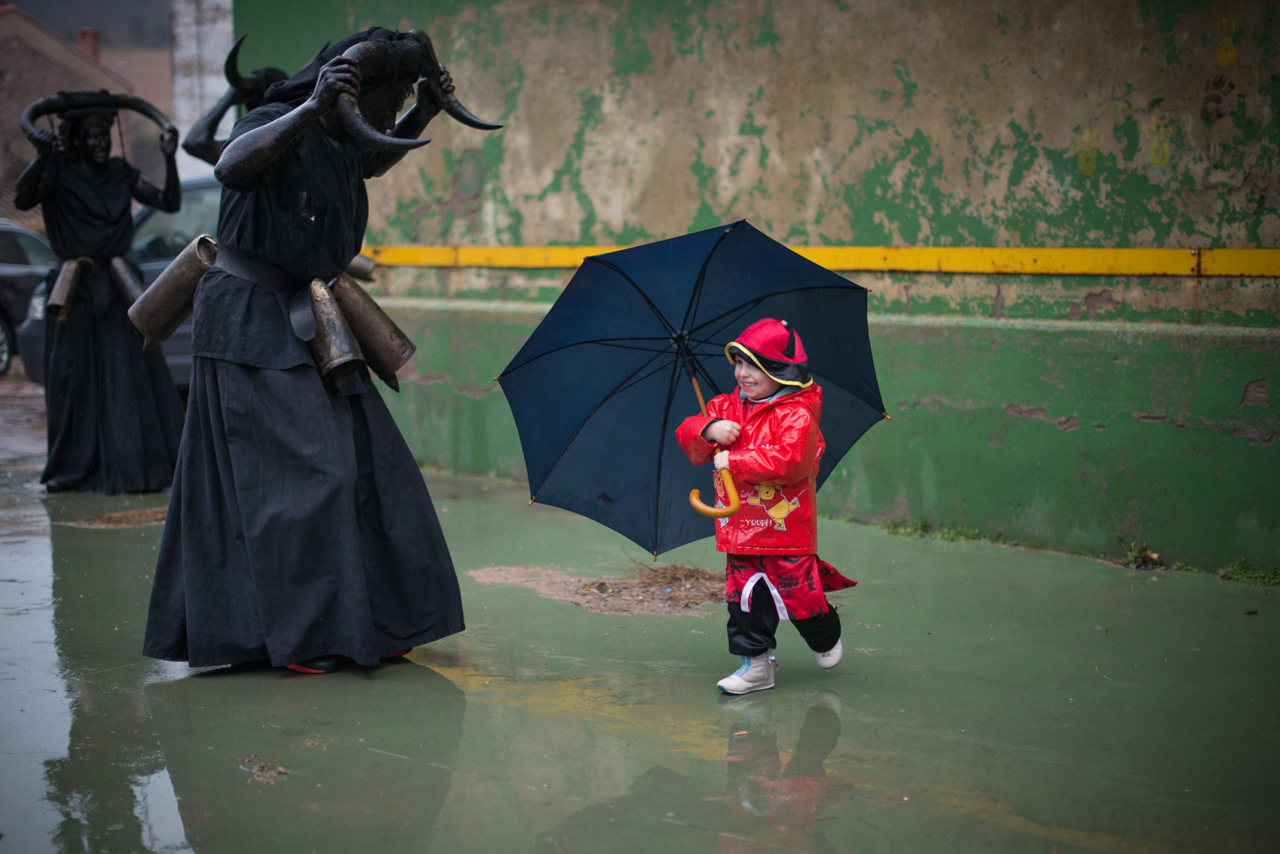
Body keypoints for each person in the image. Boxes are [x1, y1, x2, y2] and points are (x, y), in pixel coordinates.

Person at [142, 28, 466, 674]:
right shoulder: (279, 118)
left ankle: (368, 618)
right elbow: (231, 163)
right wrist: (309, 110)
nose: (393, 114)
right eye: (391, 100)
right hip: (248, 323)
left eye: (401, 101)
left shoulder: (346, 137)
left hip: (312, 317)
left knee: (374, 466)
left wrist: (426, 109)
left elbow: (370, 159)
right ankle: (304, 633)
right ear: (351, 91)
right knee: (313, 475)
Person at [676, 318, 856, 694]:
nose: (741, 373)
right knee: (743, 602)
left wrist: (735, 461)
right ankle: (756, 666)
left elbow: (791, 462)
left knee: (799, 596)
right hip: (739, 530)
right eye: (737, 364)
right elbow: (689, 434)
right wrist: (708, 430)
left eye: (752, 365)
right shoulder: (724, 406)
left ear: (781, 370)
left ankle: (824, 634)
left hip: (784, 531)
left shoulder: (798, 413)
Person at [13, 101, 185, 494]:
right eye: (91, 135)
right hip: (74, 292)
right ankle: (72, 467)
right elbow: (23, 199)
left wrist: (169, 159)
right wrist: (41, 157)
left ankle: (138, 464)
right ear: (74, 139)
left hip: (120, 286)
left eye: (104, 134)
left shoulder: (120, 173)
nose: (100, 142)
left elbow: (169, 202)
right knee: (73, 378)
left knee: (131, 376)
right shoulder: (57, 172)